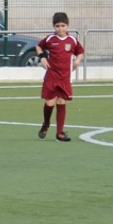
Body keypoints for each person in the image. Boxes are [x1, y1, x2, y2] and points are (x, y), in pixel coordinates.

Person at [36, 12, 84, 142]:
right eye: (57, 26)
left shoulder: (72, 40)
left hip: (65, 77)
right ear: (54, 27)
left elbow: (80, 51)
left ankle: (60, 132)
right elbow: (39, 46)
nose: (60, 29)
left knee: (61, 102)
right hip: (51, 76)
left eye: (63, 26)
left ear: (67, 26)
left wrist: (77, 61)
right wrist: (43, 58)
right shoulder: (50, 39)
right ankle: (46, 123)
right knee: (50, 103)